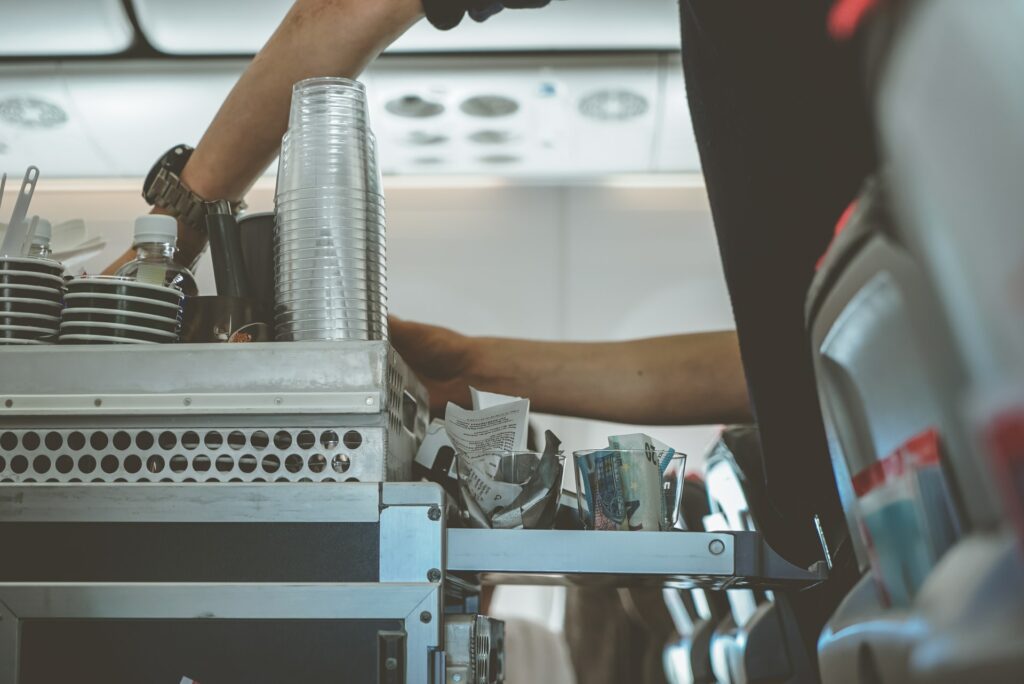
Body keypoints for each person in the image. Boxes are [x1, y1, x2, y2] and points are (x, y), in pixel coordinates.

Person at [106, 0, 874, 675]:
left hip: (877, 516)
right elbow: (792, 360)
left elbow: (345, 8)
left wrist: (163, 243)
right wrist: (469, 361)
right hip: (875, 518)